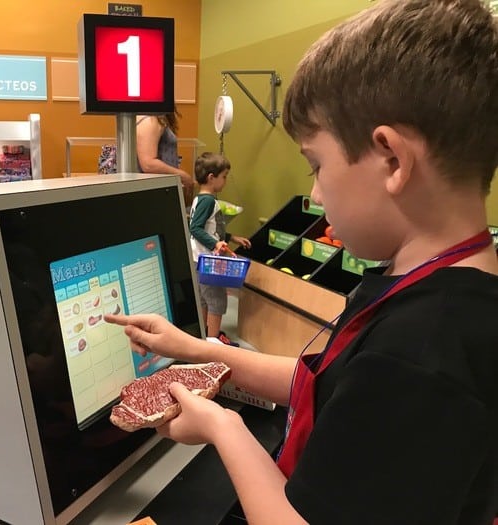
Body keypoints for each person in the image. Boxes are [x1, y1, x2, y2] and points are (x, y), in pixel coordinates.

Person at [106, 0, 498, 523]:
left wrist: (224, 429)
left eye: (317, 165)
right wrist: (195, 348)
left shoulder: (423, 352)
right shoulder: (439, 291)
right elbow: (331, 383)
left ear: (392, 160)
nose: (313, 194)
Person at [189, 152, 251, 346]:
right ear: (211, 177)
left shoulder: (199, 199)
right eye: (224, 176)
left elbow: (212, 228)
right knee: (216, 300)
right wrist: (215, 244)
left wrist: (231, 238)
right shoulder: (208, 201)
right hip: (208, 261)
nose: (225, 181)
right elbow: (196, 228)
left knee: (204, 299)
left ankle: (206, 335)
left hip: (198, 259)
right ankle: (214, 342)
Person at [136, 111, 194, 205]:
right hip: (152, 193)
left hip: (161, 190)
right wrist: (182, 176)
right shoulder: (150, 120)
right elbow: (148, 164)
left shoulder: (156, 118)